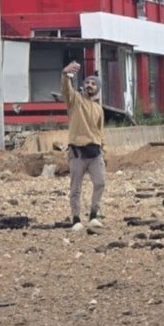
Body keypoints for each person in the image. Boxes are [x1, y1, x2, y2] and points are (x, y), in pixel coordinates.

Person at [61, 61, 105, 228]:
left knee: (100, 183)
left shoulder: (98, 109)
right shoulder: (75, 101)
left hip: (95, 152)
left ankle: (94, 214)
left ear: (97, 88)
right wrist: (65, 75)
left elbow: (101, 131)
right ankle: (76, 219)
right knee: (75, 188)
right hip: (77, 152)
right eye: (87, 82)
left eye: (93, 83)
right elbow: (67, 91)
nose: (89, 85)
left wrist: (103, 148)